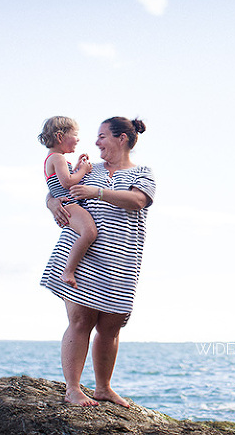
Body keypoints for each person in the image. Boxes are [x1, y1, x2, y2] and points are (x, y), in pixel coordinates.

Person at [41, 116, 156, 407]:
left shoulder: (143, 173)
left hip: (121, 258)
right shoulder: (90, 169)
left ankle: (103, 388)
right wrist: (50, 202)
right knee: (80, 320)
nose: (96, 142)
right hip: (83, 257)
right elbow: (58, 187)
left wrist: (98, 192)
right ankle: (73, 389)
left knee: (111, 325)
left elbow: (138, 201)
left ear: (122, 139)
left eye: (103, 136)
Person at [38, 116, 97, 289]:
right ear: (60, 137)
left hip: (67, 203)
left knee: (88, 233)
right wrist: (84, 170)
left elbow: (65, 178)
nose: (78, 139)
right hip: (69, 204)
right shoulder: (58, 158)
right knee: (89, 232)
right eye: (75, 134)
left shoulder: (55, 159)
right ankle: (68, 270)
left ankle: (70, 269)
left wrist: (78, 167)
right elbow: (68, 182)